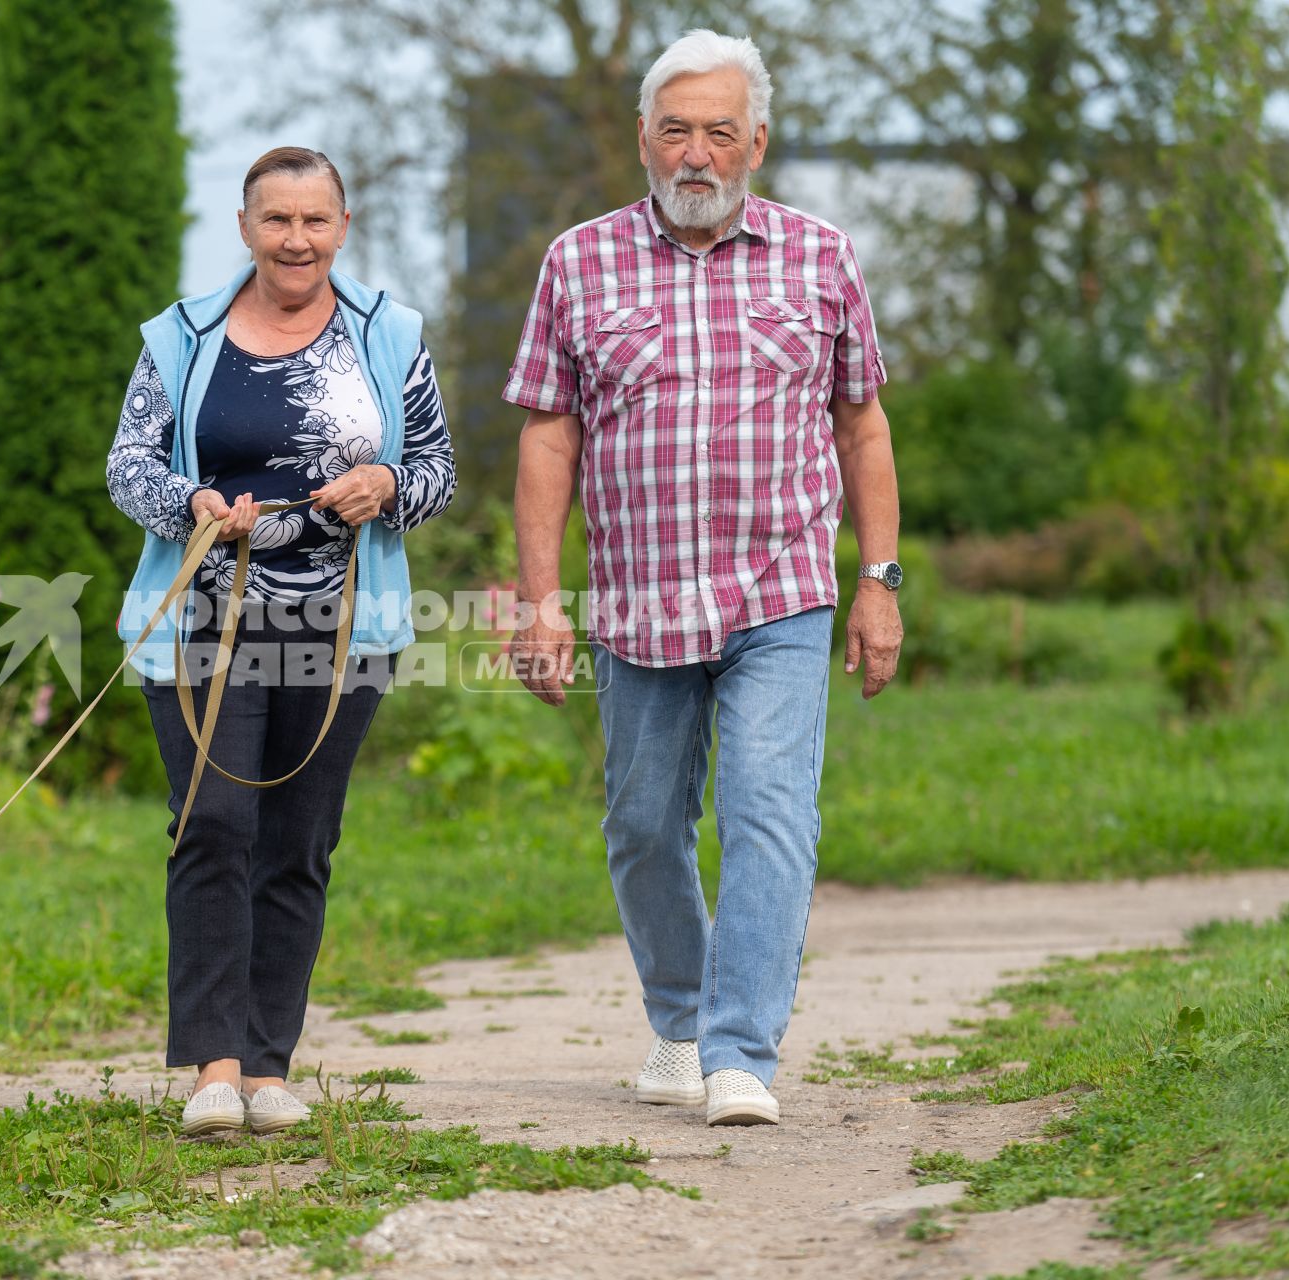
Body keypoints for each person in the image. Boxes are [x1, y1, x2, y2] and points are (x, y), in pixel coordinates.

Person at [504, 30, 903, 1127]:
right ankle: (680, 1019)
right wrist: (539, 597)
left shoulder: (821, 257)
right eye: (674, 129)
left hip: (781, 592)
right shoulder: (577, 261)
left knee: (769, 811)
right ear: (643, 137)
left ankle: (741, 1051)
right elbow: (548, 437)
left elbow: (862, 426)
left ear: (757, 142)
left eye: (718, 131)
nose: (695, 152)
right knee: (640, 825)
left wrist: (880, 580)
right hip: (636, 602)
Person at [107, 146, 456, 1138]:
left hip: (343, 629)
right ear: (246, 227)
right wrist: (192, 502)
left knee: (299, 839)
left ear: (341, 227)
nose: (296, 239)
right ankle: (212, 1064)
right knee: (213, 822)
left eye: (314, 220)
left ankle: (269, 1062)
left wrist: (388, 486)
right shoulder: (183, 337)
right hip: (201, 623)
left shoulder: (391, 335)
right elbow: (129, 465)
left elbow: (435, 467)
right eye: (277, 220)